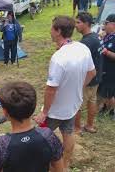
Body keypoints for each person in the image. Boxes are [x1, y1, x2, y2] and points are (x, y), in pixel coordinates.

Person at [34, 16, 96, 171]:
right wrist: (77, 86)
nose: (50, 31)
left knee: (40, 137)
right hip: (73, 105)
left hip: (56, 110)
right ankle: (65, 165)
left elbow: (51, 89)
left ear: (58, 31)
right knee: (68, 134)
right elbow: (92, 72)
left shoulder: (59, 58)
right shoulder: (82, 48)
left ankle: (44, 166)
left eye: (52, 28)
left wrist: (44, 113)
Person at [0, 82, 64, 172]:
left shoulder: (1, 144)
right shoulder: (48, 136)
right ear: (33, 107)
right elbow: (59, 168)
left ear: (5, 112)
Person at [75, 12, 103, 133]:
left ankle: (76, 128)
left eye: (78, 22)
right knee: (92, 100)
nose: (75, 25)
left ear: (86, 24)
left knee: (77, 104)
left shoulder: (86, 43)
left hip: (87, 79)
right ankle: (90, 125)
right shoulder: (96, 37)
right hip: (97, 77)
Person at [98, 14, 115, 120]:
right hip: (104, 69)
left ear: (113, 24)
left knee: (111, 92)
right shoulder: (107, 36)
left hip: (112, 71)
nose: (104, 25)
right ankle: (105, 107)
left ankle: (113, 111)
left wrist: (106, 52)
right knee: (105, 91)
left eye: (106, 23)